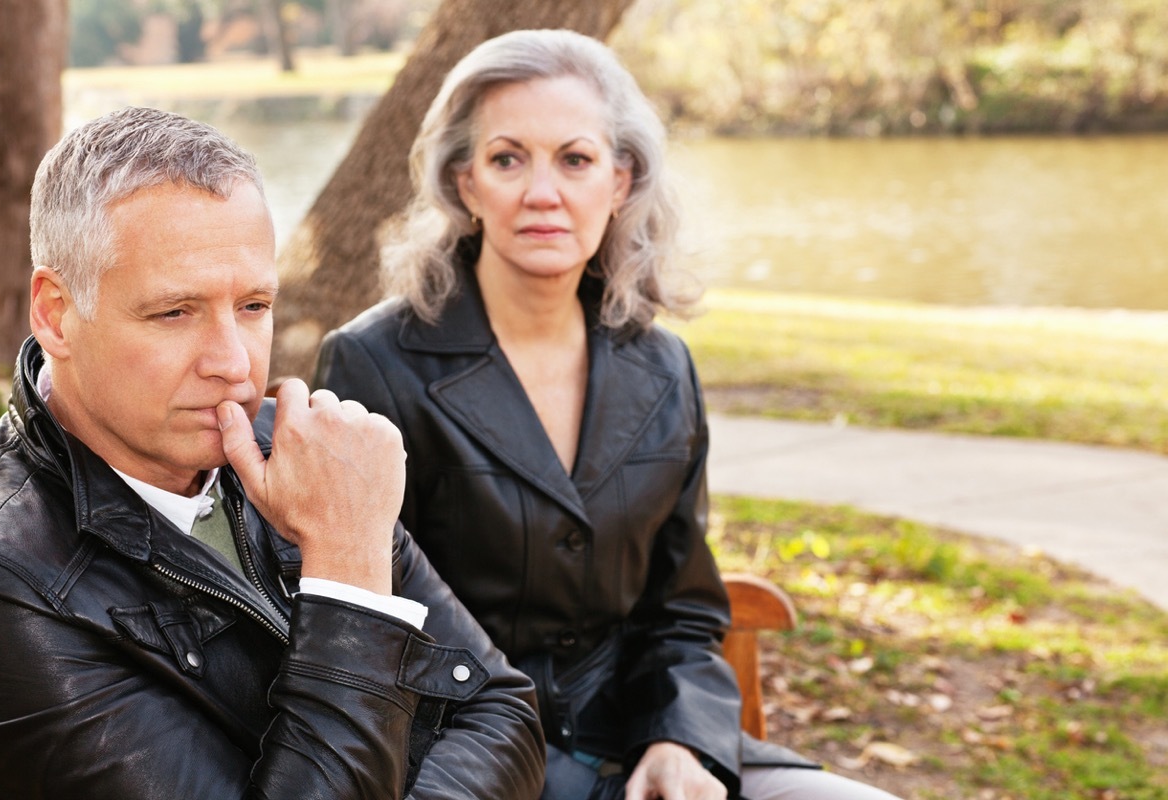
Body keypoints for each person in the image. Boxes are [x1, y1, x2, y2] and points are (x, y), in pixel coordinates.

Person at [314, 28, 900, 800]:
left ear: (620, 181)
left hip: (640, 737)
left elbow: (682, 611)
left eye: (576, 159)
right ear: (465, 183)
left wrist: (679, 740)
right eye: (507, 158)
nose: (543, 192)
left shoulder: (663, 368)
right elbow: (362, 627)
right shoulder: (372, 365)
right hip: (462, 760)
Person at [0, 106, 545, 798]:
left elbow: (502, 710)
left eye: (253, 306)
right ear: (57, 313)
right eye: (174, 312)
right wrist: (348, 573)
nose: (233, 363)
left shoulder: (304, 455)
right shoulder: (4, 588)